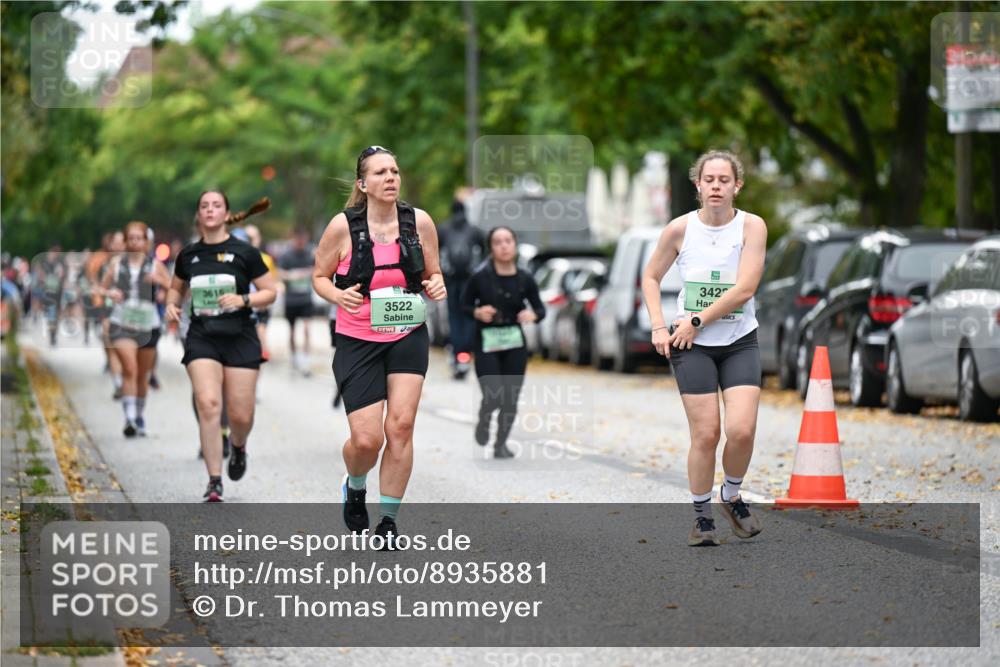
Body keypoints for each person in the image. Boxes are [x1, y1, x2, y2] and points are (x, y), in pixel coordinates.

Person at [313, 145, 446, 547]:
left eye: (395, 170)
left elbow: (433, 272)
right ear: (362, 184)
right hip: (357, 339)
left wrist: (436, 284)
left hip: (407, 332)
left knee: (401, 426)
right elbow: (319, 276)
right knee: (367, 439)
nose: (390, 178)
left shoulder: (419, 222)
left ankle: (387, 521)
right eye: (380, 173)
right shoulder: (342, 227)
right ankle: (355, 485)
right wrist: (338, 297)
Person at [641, 149, 767, 547]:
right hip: (689, 345)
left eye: (724, 180)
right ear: (698, 185)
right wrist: (660, 326)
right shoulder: (679, 230)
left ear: (736, 186)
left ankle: (730, 494)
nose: (716, 186)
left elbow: (745, 289)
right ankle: (701, 516)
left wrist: (696, 321)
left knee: (742, 430)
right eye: (709, 180)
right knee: (707, 434)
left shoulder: (752, 227)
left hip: (737, 340)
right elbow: (650, 276)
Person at [165, 192, 276, 502]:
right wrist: (171, 307)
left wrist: (243, 299)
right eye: (204, 206)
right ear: (198, 216)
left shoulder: (245, 252)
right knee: (209, 404)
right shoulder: (188, 255)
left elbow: (270, 292)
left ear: (227, 213)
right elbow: (175, 291)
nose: (210, 210)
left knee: (241, 415)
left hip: (240, 334)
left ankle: (238, 446)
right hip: (203, 336)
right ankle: (214, 479)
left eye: (216, 205)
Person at [462, 226, 545, 459]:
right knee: (494, 394)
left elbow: (540, 309)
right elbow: (464, 305)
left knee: (510, 397)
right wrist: (477, 312)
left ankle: (501, 444)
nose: (504, 246)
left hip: (514, 342)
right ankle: (485, 416)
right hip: (487, 340)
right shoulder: (480, 277)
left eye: (508, 240)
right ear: (491, 248)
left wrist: (533, 315)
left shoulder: (525, 278)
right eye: (498, 242)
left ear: (515, 245)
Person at [101, 222, 172, 437]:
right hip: (121, 322)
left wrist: (160, 282)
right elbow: (100, 289)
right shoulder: (116, 263)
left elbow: (174, 289)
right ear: (125, 241)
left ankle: (139, 416)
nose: (134, 242)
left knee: (142, 374)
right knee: (129, 369)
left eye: (138, 238)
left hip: (148, 324)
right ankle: (129, 418)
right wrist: (109, 294)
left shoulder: (155, 265)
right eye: (130, 238)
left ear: (145, 241)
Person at [439, 195, 485, 379]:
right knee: (469, 316)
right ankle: (466, 351)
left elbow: (434, 252)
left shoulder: (443, 229)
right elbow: (485, 253)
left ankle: (456, 351)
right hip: (470, 281)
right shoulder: (475, 231)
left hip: (450, 281)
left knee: (453, 317)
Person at [279, 227, 316, 376]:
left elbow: (317, 269)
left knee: (307, 329)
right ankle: (294, 357)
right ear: (294, 239)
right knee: (292, 331)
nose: (301, 242)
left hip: (306, 298)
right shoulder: (286, 255)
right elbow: (280, 273)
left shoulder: (310, 254)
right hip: (291, 299)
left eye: (303, 239)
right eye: (298, 239)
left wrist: (308, 272)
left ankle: (306, 360)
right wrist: (292, 276)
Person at [244, 223, 277, 362]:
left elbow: (273, 283)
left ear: (258, 239)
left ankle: (262, 353)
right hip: (243, 305)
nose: (250, 240)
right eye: (247, 237)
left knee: (260, 331)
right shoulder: (236, 257)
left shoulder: (266, 259)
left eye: (253, 237)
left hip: (261, 305)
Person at [36, 245, 67, 346]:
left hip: (58, 292)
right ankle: (52, 335)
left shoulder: (61, 262)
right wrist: (44, 279)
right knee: (51, 313)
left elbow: (63, 275)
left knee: (56, 314)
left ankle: (53, 334)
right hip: (48, 292)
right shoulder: (45, 262)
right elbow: (40, 273)